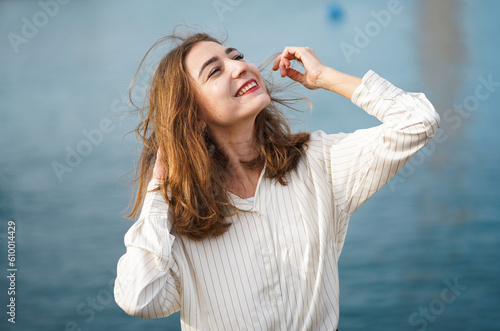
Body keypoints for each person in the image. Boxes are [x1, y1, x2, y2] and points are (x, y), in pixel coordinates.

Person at [114, 31, 440, 330]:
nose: (239, 67)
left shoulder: (317, 163)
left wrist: (325, 77)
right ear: (194, 115)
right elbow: (138, 297)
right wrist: (159, 191)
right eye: (215, 71)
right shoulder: (180, 218)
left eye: (237, 57)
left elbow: (418, 121)